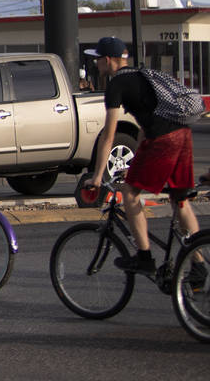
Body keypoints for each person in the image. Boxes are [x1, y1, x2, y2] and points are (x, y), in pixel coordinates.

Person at [84, 36, 201, 278]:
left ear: (107, 60)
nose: (96, 64)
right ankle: (198, 265)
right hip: (182, 135)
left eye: (97, 60)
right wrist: (136, 162)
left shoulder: (116, 85)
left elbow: (109, 133)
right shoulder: (142, 75)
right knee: (180, 199)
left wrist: (97, 176)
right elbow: (143, 128)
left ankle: (145, 257)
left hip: (163, 140)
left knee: (129, 193)